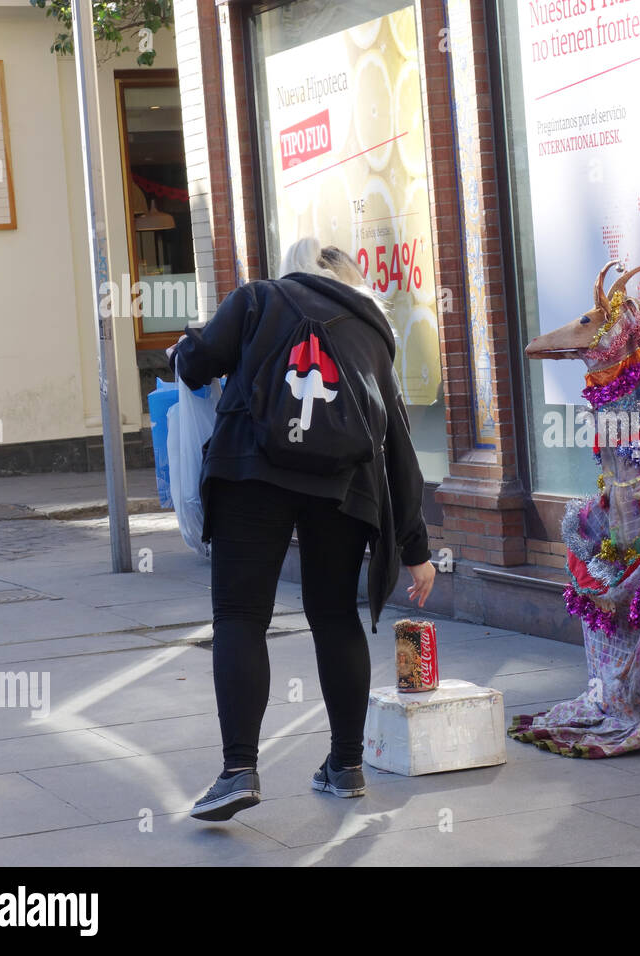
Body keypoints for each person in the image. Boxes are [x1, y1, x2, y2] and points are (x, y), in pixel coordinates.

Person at [169, 238, 435, 822]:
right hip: (343, 484)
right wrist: (416, 547)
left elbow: (195, 365)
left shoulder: (258, 299)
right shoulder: (372, 331)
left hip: (253, 471)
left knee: (240, 615)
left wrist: (183, 349)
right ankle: (346, 764)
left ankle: (239, 770)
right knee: (334, 614)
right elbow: (398, 444)